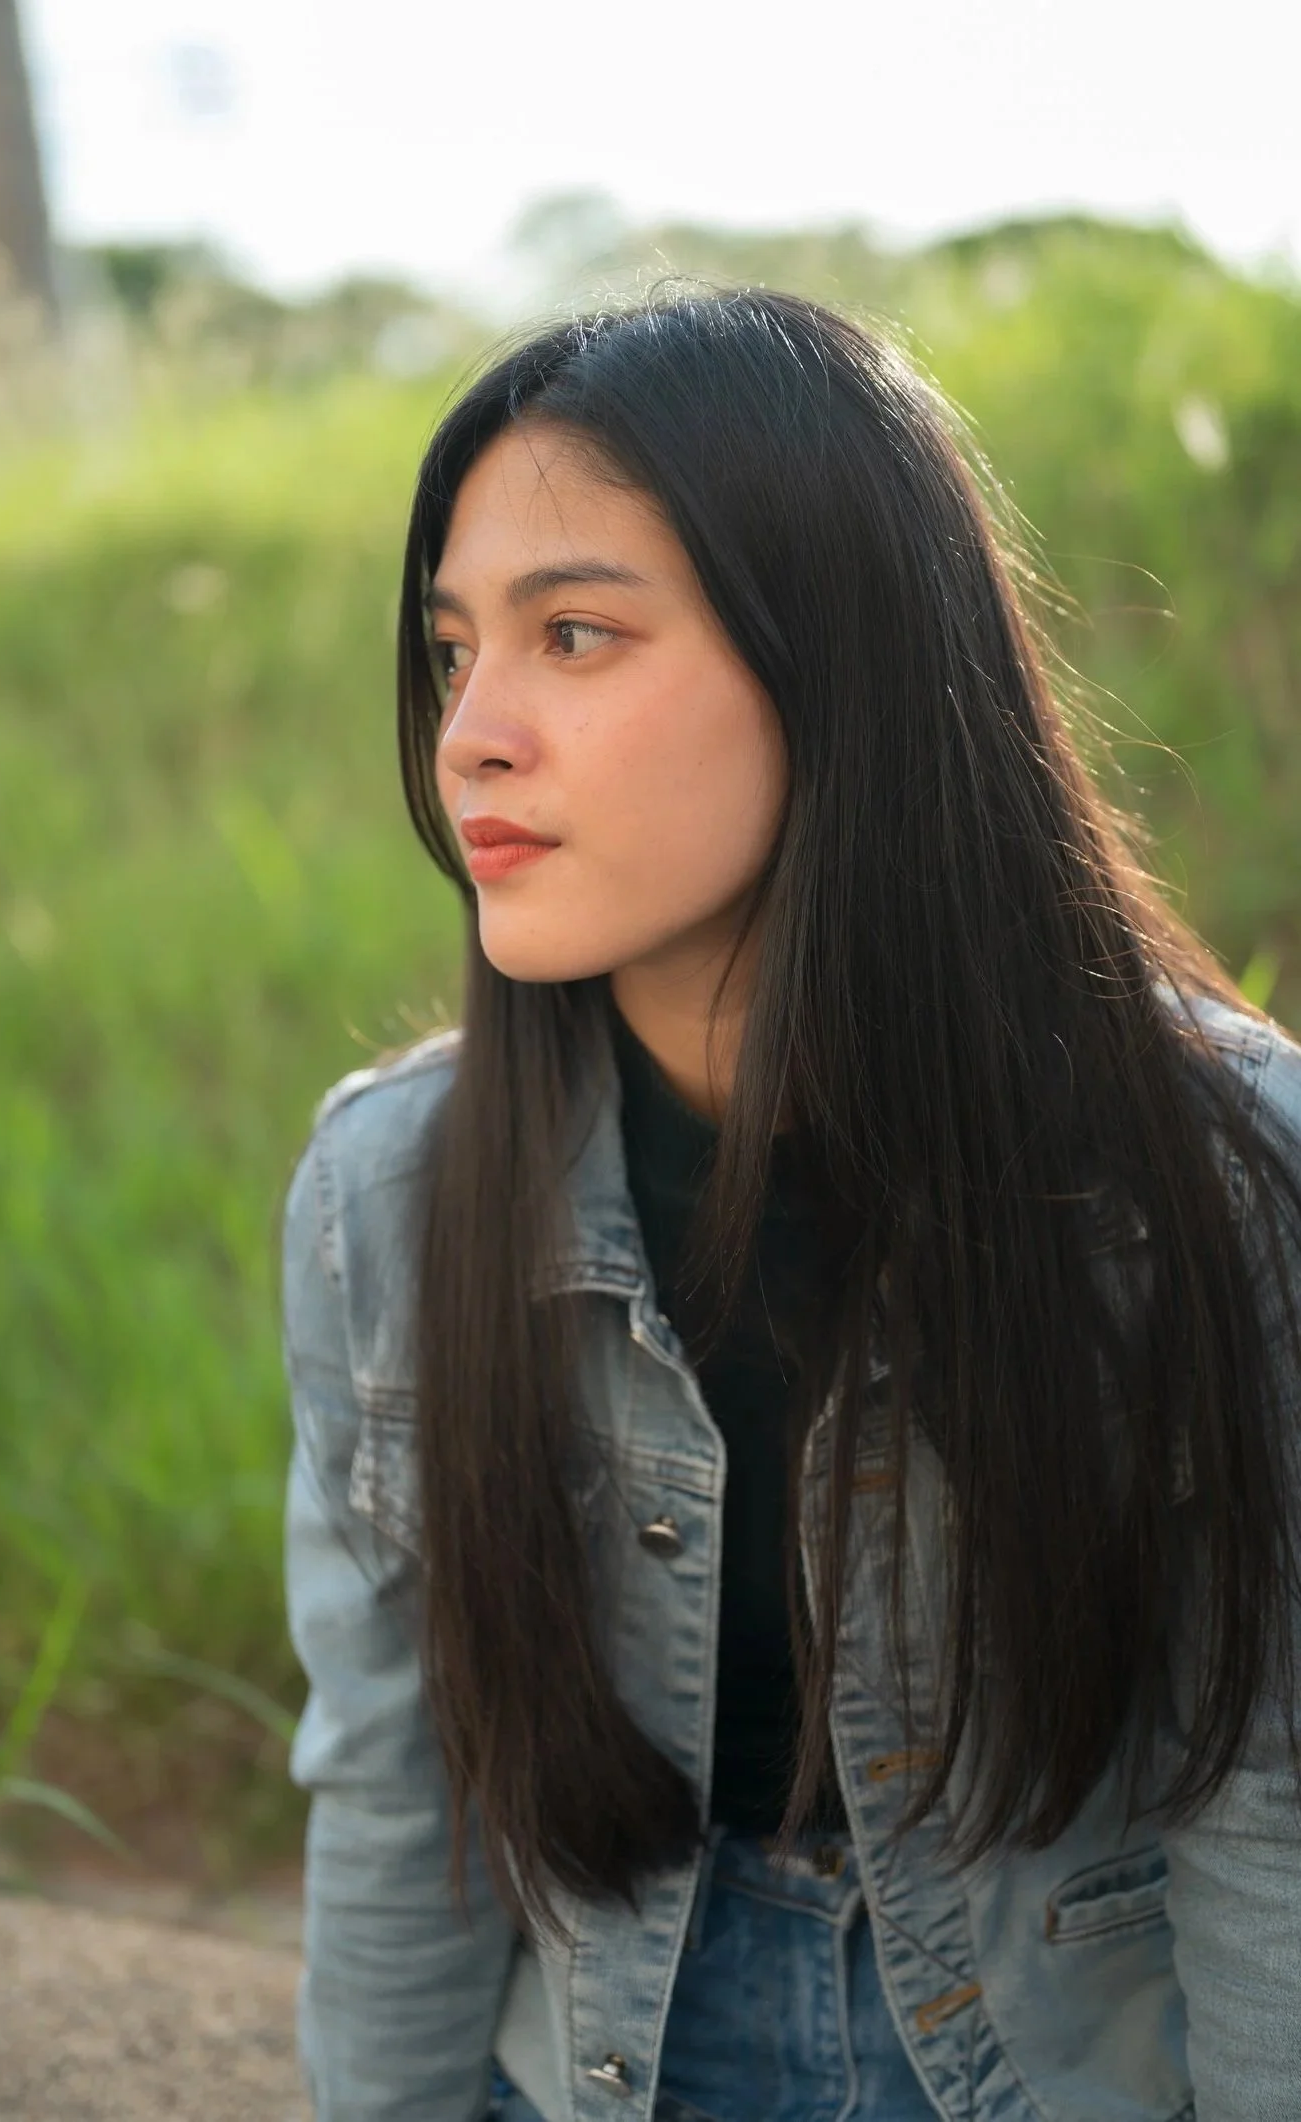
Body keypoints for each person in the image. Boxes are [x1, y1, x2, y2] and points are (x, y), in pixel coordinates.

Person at [279, 289, 1301, 2122]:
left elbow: (1271, 1800)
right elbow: (399, 1790)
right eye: (451, 650)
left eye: (574, 634)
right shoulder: (395, 1185)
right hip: (600, 2050)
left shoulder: (1211, 1175)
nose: (471, 734)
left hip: (1044, 2054)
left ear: (834, 658)